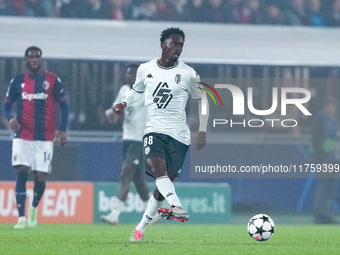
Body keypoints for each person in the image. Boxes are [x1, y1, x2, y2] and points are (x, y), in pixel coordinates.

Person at [114, 27, 209, 242]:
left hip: (178, 136)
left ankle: (140, 228)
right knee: (156, 168)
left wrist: (202, 129)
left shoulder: (188, 73)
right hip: (154, 130)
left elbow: (202, 100)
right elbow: (138, 90)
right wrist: (124, 102)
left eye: (181, 45)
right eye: (174, 44)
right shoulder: (145, 69)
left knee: (161, 186)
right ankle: (177, 207)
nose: (178, 48)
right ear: (162, 45)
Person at [2, 46, 69, 229]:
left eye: (37, 57)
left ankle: (33, 208)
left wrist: (62, 130)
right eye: (31, 57)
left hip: (45, 137)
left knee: (40, 177)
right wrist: (10, 119)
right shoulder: (17, 81)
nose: (34, 59)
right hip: (22, 135)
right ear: (26, 59)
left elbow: (65, 106)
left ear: (40, 59)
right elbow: (6, 105)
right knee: (22, 171)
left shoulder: (53, 80)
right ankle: (21, 218)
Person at [100, 63, 151, 225]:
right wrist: (111, 115)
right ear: (127, 76)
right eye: (130, 74)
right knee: (137, 177)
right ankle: (153, 211)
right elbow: (116, 108)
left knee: (126, 172)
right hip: (128, 138)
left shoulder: (147, 92)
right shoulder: (124, 90)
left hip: (141, 139)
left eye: (136, 74)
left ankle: (115, 214)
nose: (133, 77)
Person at [311, 98, 339, 224]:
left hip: (334, 159)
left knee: (329, 187)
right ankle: (321, 214)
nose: (333, 109)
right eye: (330, 106)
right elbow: (316, 142)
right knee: (324, 186)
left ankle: (325, 214)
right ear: (325, 107)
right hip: (325, 160)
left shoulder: (333, 120)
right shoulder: (319, 120)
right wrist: (322, 160)